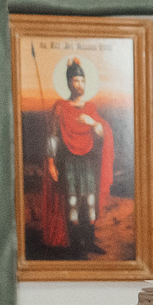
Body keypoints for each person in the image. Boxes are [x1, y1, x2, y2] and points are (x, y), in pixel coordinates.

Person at [39, 57, 110, 257]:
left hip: (87, 160)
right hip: (68, 161)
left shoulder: (90, 108)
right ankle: (76, 243)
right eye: (76, 80)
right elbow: (52, 137)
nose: (80, 85)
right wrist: (51, 162)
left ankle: (89, 241)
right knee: (72, 201)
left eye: (83, 81)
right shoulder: (60, 107)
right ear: (69, 82)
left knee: (89, 200)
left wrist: (92, 123)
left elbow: (102, 133)